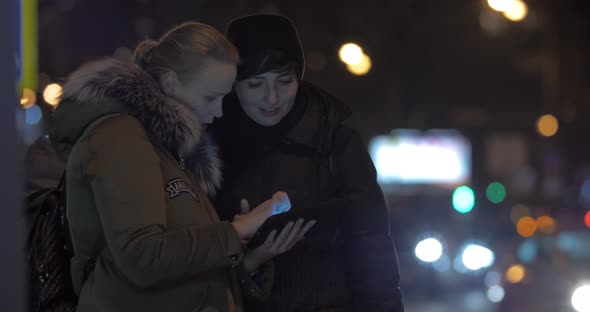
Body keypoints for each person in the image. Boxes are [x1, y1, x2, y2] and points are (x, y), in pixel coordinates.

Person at [49, 21, 305, 312]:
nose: (219, 111)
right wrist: (234, 231)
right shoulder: (120, 137)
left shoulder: (167, 148)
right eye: (211, 97)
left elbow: (183, 270)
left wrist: (248, 258)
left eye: (224, 98)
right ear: (171, 83)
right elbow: (143, 259)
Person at [211, 14, 404, 312]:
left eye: (285, 81)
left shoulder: (335, 140)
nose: (271, 98)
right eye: (255, 84)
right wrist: (245, 256)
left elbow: (372, 245)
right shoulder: (209, 146)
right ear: (232, 84)